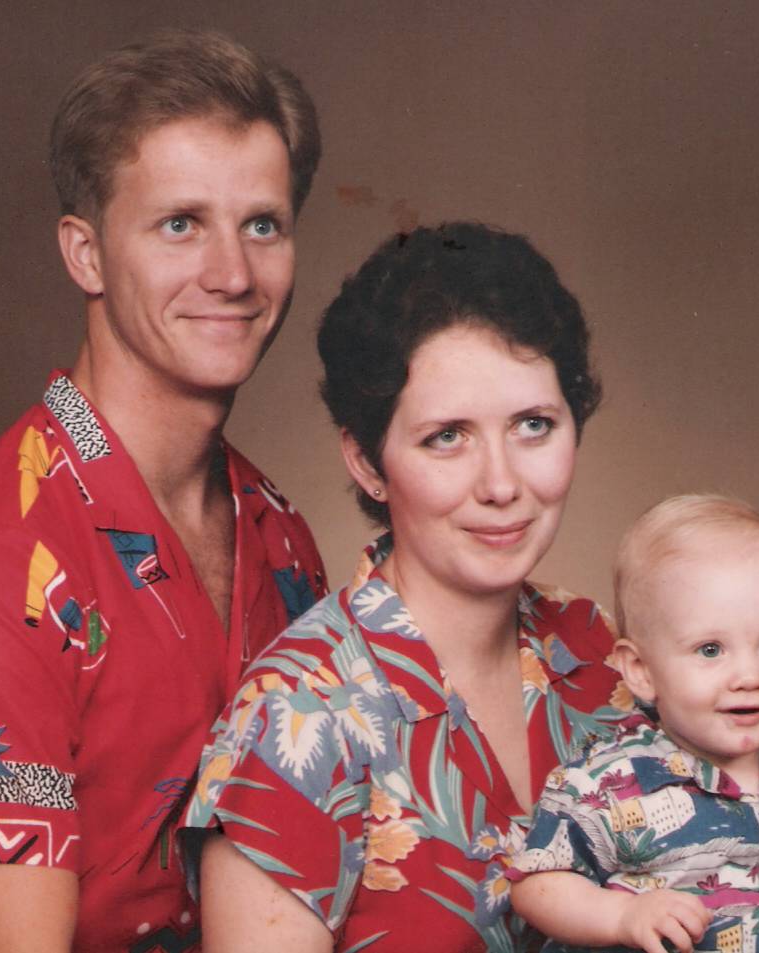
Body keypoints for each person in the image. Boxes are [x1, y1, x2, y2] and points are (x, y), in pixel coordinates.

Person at [0, 28, 325, 953]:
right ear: (84, 254)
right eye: (180, 224)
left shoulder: (280, 533)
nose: (232, 274)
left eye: (262, 224)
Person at [184, 221, 634, 951]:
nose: (501, 483)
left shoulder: (598, 652)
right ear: (366, 461)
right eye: (446, 436)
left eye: (533, 424)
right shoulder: (294, 719)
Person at [508, 494, 759, 953]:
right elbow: (536, 886)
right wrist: (623, 915)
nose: (749, 676)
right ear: (640, 670)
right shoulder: (606, 783)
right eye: (710, 650)